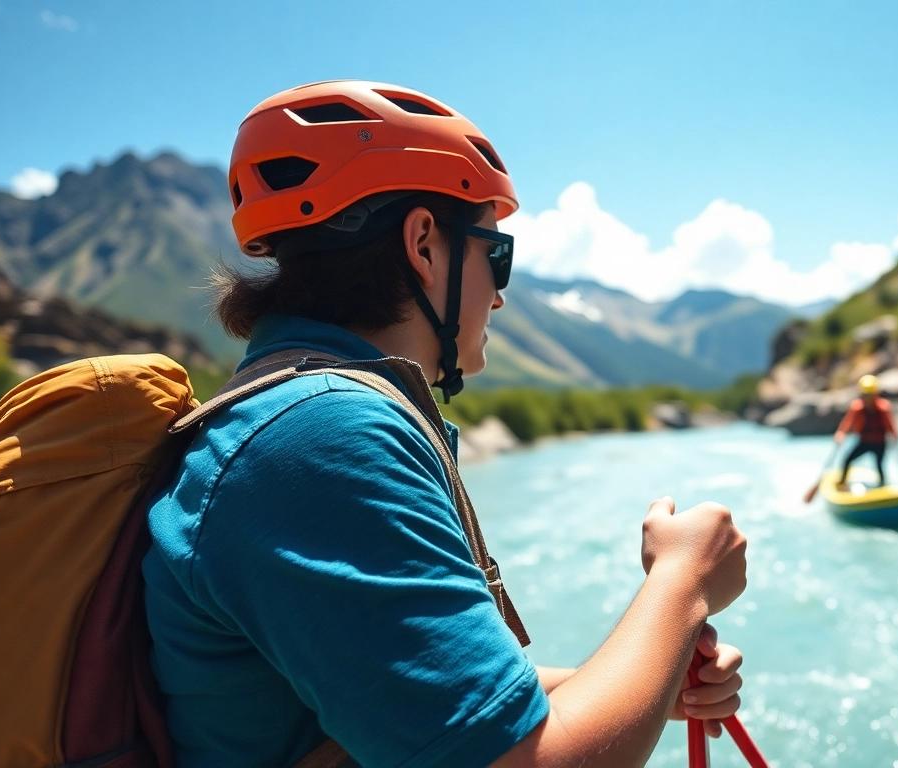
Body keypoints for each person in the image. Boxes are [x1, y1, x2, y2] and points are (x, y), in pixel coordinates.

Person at [143, 81, 750, 767]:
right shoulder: (321, 437)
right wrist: (684, 582)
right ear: (424, 244)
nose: (499, 293)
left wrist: (646, 675)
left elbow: (426, 703)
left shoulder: (286, 414)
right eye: (495, 254)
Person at [832, 374, 898, 488]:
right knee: (847, 460)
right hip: (864, 442)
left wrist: (894, 436)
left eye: (870, 395)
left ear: (875, 394)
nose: (867, 398)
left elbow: (890, 425)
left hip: (880, 442)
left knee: (879, 465)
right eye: (865, 395)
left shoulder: (883, 408)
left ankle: (882, 486)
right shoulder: (857, 408)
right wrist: (840, 434)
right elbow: (847, 423)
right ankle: (842, 483)